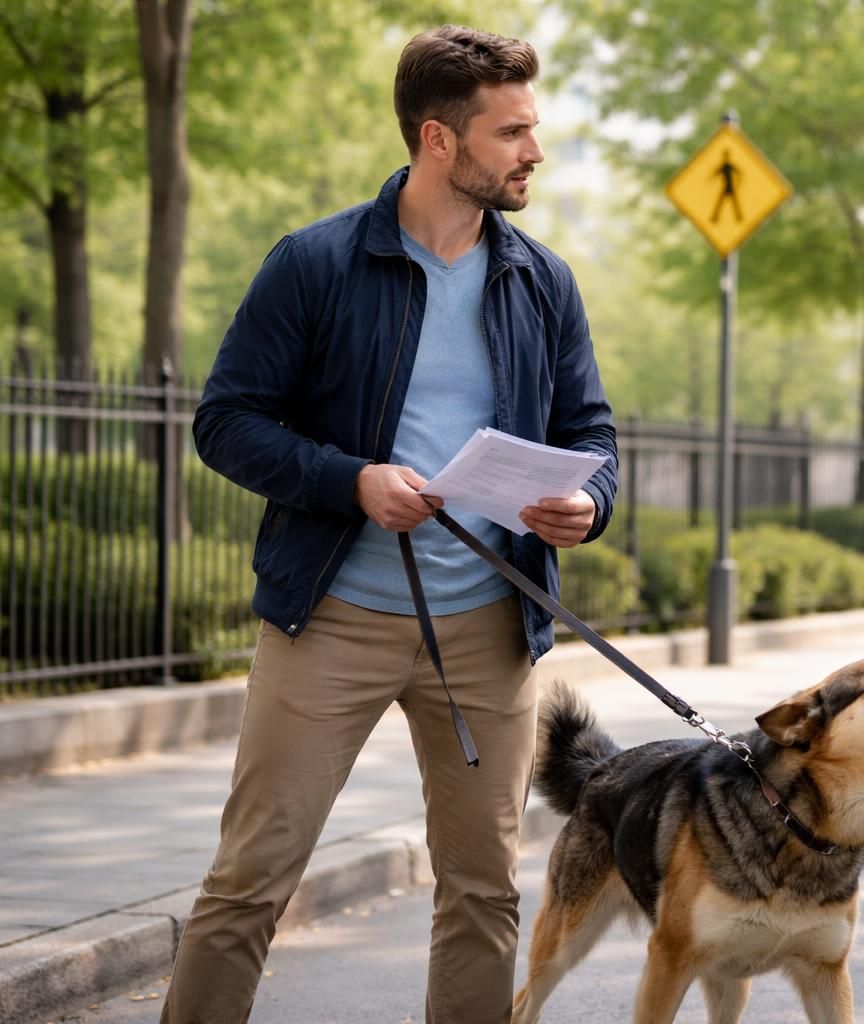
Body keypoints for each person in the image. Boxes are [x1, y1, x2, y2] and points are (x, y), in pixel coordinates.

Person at [162, 26, 617, 1024]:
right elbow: (224, 422)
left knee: (484, 894)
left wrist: (590, 502)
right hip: (331, 616)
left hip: (490, 629)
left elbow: (592, 431)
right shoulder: (316, 263)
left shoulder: (541, 281)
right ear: (438, 139)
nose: (534, 150)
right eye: (513, 132)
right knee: (249, 882)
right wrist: (351, 480)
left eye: (532, 128)